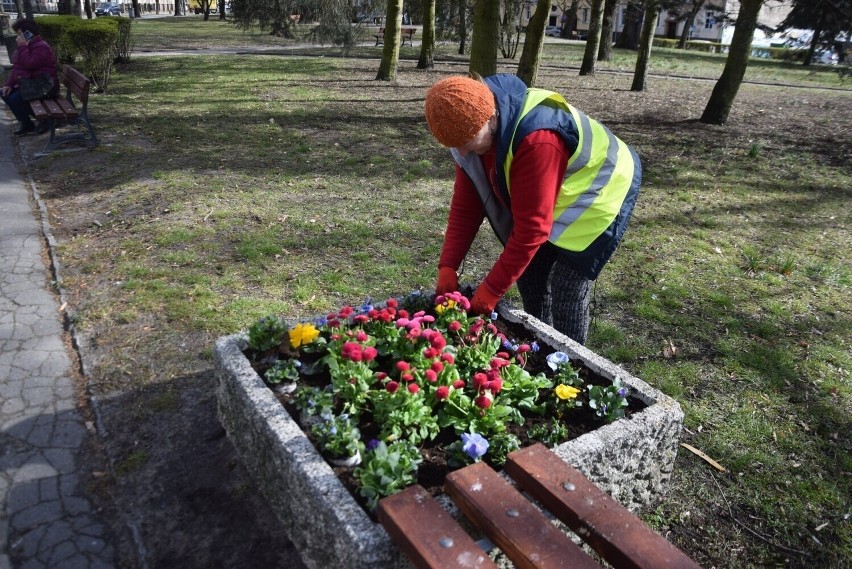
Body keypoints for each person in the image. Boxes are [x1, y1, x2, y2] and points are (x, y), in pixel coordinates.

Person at [424, 74, 641, 345]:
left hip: (601, 186)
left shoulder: (537, 139)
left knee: (567, 284)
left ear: (489, 117)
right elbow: (466, 208)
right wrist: (448, 265)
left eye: (468, 141)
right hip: (557, 186)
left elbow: (532, 229)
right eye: (455, 145)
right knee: (530, 272)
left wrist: (491, 290)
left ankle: (568, 362)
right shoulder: (470, 137)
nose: (464, 152)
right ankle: (540, 344)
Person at [1, 18, 58, 136]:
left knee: (16, 98)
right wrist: (8, 84)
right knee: (4, 93)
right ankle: (26, 123)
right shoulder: (27, 46)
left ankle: (44, 120)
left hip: (45, 85)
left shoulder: (41, 46)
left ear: (29, 34)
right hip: (33, 84)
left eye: (20, 34)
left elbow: (30, 64)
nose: (18, 37)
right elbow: (17, 68)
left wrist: (23, 47)